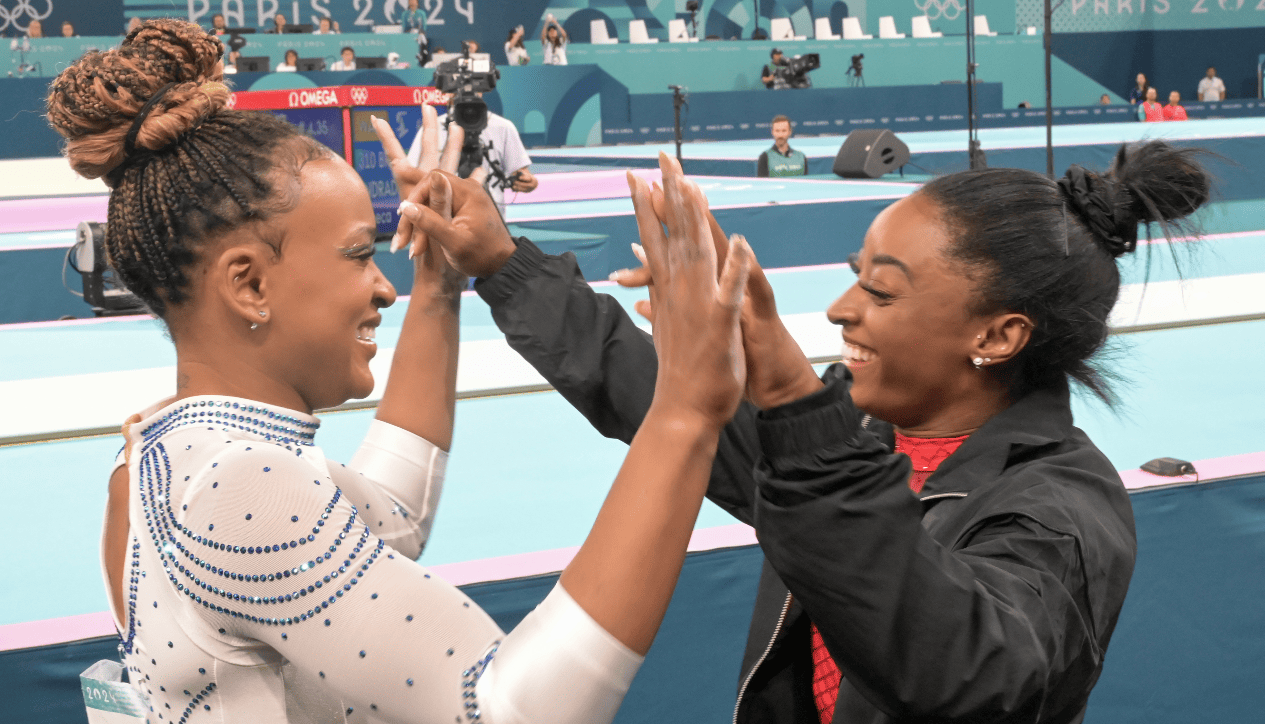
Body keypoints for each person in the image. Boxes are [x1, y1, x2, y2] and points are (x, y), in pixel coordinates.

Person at [49, 18, 754, 724]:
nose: (385, 289)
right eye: (360, 255)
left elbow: (391, 515)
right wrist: (685, 411)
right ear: (250, 286)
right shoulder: (236, 488)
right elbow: (508, 712)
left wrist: (439, 284)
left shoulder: (155, 459)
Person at [425, 138, 1211, 723]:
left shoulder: (1061, 509)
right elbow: (666, 399)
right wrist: (505, 265)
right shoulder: (859, 435)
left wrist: (800, 407)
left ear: (998, 337)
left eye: (881, 290)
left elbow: (966, 670)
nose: (841, 309)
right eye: (852, 272)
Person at [405, 101, 538, 218]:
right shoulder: (434, 128)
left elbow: (520, 172)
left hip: (491, 224)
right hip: (444, 224)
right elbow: (412, 179)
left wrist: (528, 181)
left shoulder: (503, 127)